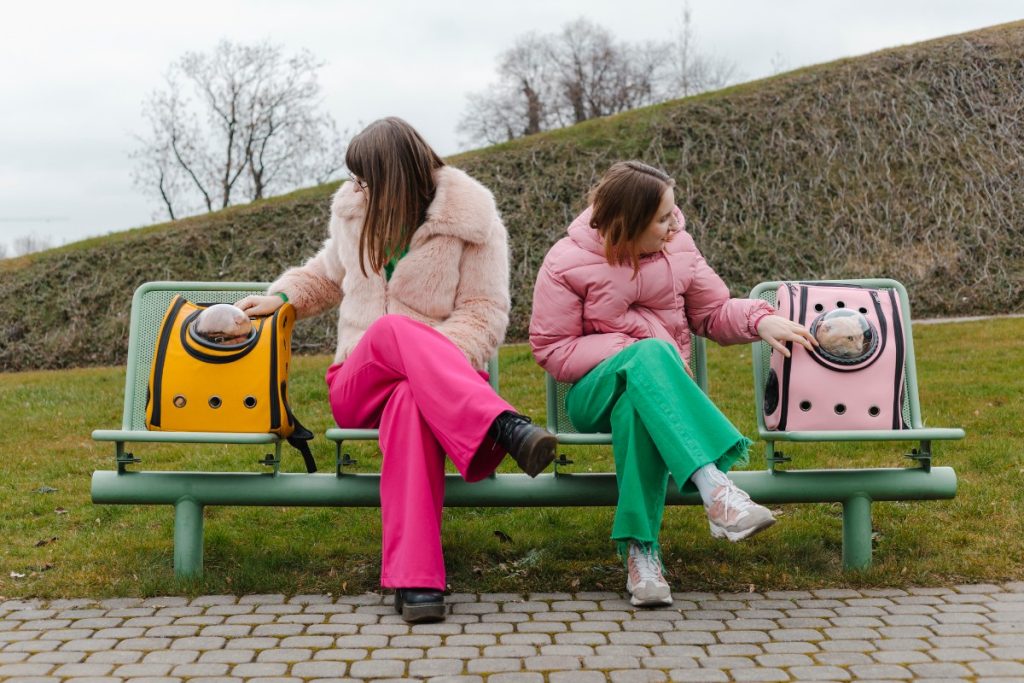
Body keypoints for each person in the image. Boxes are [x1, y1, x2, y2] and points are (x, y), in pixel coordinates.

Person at [237, 117, 556, 623]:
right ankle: (502, 425)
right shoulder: (353, 214)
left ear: (395, 177)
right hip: (359, 383)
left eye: (365, 178)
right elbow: (324, 276)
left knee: (411, 398)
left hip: (439, 394)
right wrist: (280, 299)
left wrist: (430, 363)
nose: (355, 188)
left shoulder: (473, 223)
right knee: (388, 333)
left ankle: (418, 581)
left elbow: (483, 313)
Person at [529, 161, 816, 607]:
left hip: (651, 399)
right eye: (662, 217)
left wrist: (760, 320)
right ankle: (716, 487)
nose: (672, 224)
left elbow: (713, 311)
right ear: (628, 221)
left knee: (638, 411)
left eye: (671, 212)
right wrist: (634, 348)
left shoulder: (679, 247)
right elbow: (553, 349)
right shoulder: (566, 261)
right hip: (591, 395)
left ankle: (642, 556)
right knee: (649, 355)